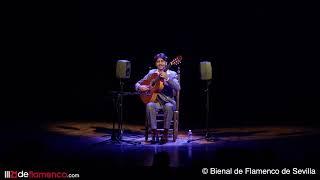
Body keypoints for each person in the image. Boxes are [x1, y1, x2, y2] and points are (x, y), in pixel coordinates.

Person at [135, 53, 180, 144]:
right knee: (149, 105)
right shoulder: (151, 73)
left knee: (168, 107)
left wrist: (167, 78)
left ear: (166, 63)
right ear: (156, 64)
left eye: (162, 61)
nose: (160, 63)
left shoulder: (172, 74)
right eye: (158, 61)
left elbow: (178, 88)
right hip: (155, 101)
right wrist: (140, 87)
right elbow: (137, 83)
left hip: (168, 101)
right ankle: (154, 133)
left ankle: (165, 133)